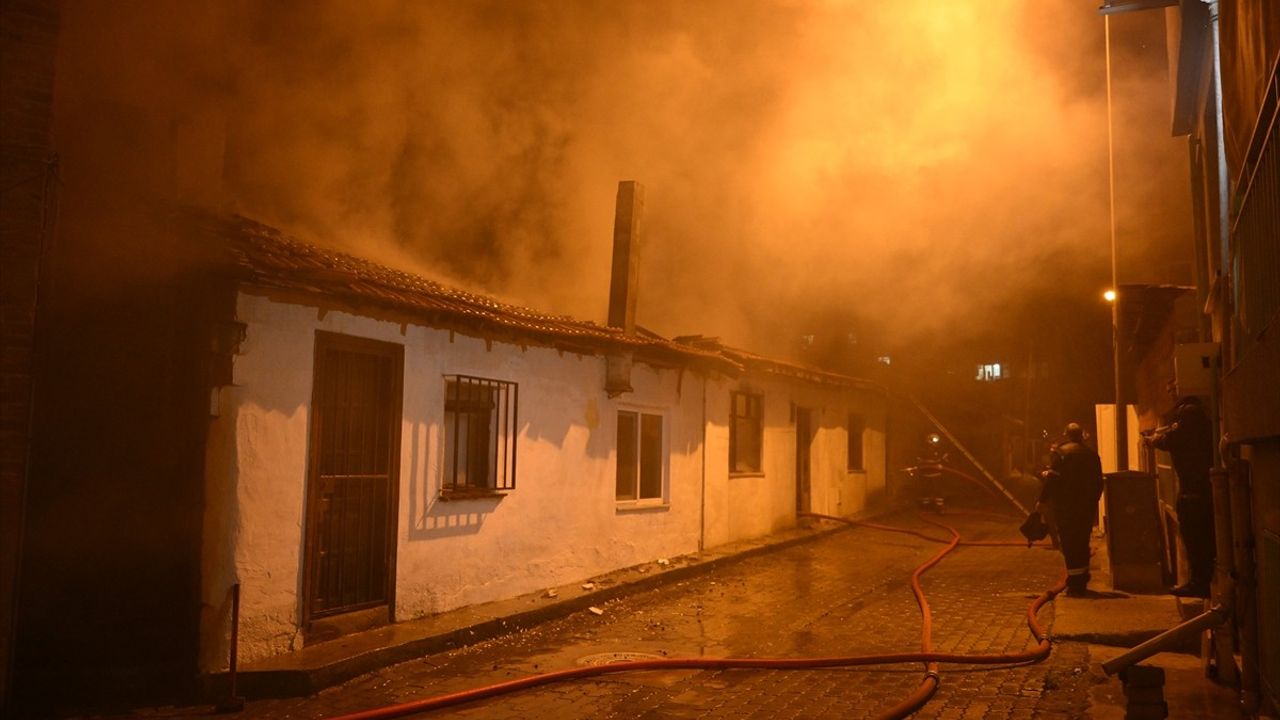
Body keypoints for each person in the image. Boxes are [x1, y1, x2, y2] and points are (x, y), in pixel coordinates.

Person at [1146, 386, 1215, 598]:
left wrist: (1154, 440)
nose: (1171, 393)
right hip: (1198, 486)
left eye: (1172, 389)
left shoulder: (1190, 412)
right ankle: (1199, 581)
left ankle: (1199, 583)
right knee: (1198, 538)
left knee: (1196, 538)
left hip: (1194, 488)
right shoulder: (1196, 413)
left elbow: (1173, 439)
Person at [1037, 423, 1104, 596]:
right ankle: (1082, 579)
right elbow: (1099, 482)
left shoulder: (1061, 453)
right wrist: (1093, 501)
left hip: (1066, 506)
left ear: (1066, 435)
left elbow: (1052, 480)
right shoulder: (1092, 455)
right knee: (1082, 540)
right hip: (1086, 506)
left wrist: (1042, 501)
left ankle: (1075, 583)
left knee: (1069, 543)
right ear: (1081, 435)